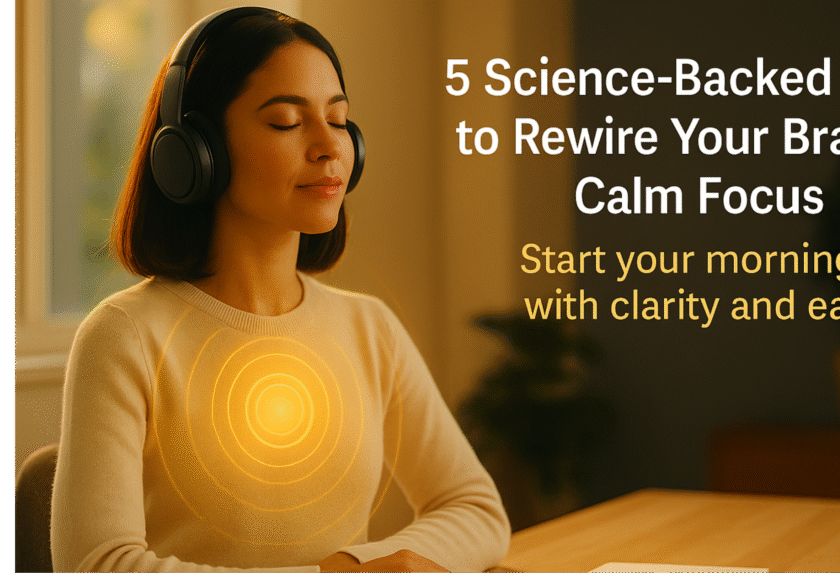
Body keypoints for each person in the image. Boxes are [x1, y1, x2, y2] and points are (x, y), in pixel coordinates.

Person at [50, 7, 510, 572]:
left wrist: (362, 564)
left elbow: (475, 508)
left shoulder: (370, 328)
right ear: (196, 150)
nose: (329, 147)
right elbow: (98, 564)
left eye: (339, 121)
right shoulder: (124, 336)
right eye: (287, 122)